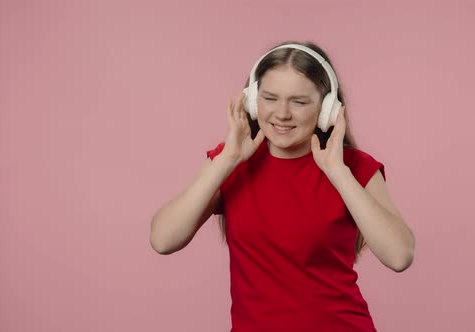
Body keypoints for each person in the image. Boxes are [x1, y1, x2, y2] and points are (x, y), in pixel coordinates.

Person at [150, 40, 416, 332]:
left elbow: (399, 255)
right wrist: (228, 160)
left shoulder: (354, 167)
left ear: (328, 108)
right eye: (270, 98)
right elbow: (163, 240)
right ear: (252, 100)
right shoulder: (229, 161)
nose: (282, 113)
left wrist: (337, 171)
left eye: (299, 102)